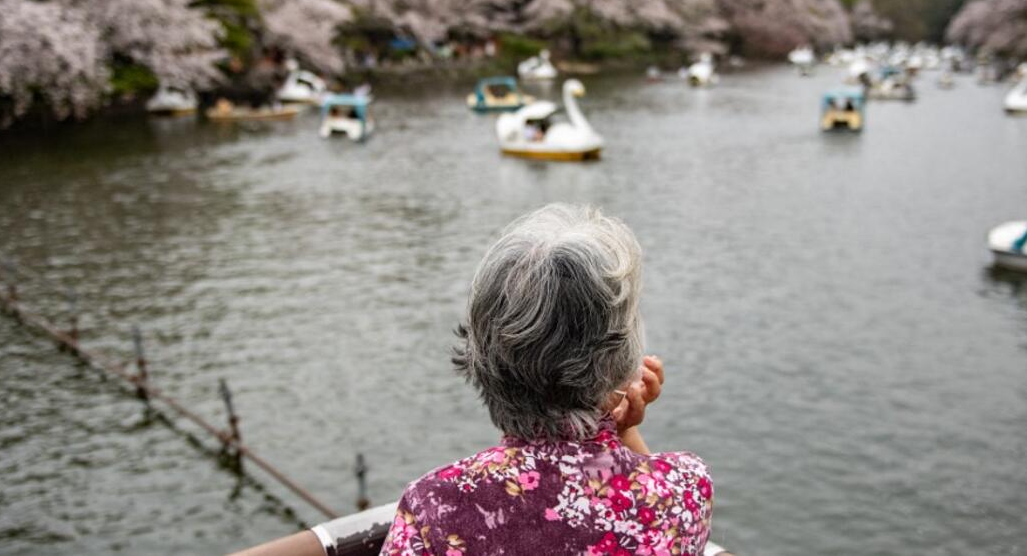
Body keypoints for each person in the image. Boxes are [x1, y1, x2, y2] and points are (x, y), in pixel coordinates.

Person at [232, 205, 714, 556]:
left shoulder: (437, 506)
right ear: (620, 359)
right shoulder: (685, 487)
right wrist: (624, 426)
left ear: (482, 356)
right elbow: (654, 516)